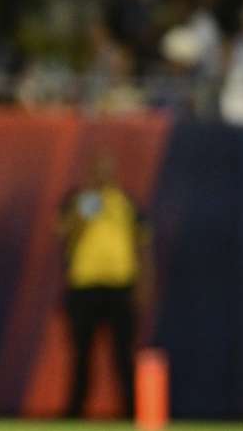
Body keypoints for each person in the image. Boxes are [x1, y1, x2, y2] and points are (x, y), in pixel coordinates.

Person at [59, 154, 152, 419]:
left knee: (123, 355)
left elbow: (143, 246)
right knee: (82, 356)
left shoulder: (126, 203)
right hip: (84, 288)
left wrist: (143, 287)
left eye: (106, 170)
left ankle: (133, 413)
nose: (102, 176)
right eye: (97, 170)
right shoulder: (80, 201)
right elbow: (67, 236)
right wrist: (88, 204)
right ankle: (75, 413)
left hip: (119, 288)